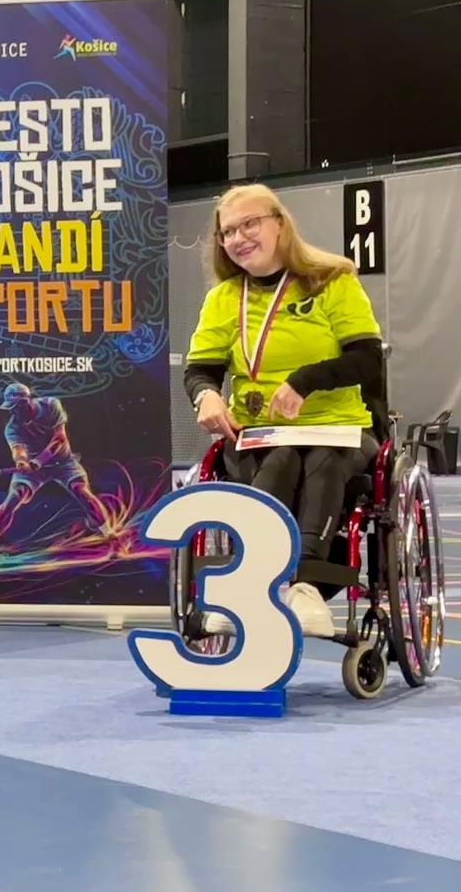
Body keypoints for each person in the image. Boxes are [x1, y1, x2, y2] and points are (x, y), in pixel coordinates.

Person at [185, 183, 383, 637]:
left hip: (336, 429)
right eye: (227, 232)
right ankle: (251, 585)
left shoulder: (333, 281)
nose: (238, 238)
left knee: (321, 460)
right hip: (260, 432)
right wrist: (206, 395)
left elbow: (368, 359)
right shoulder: (223, 299)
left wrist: (306, 381)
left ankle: (307, 587)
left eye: (249, 224)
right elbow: (200, 370)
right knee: (280, 459)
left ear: (280, 224)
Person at [0, 384, 109, 568]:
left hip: (63, 463)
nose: (15, 412)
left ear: (28, 400)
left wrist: (38, 462)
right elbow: (18, 450)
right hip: (34, 470)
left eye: (18, 406)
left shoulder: (51, 405)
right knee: (14, 498)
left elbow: (59, 439)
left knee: (81, 491)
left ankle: (111, 536)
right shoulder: (12, 427)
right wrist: (21, 462)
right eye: (11, 408)